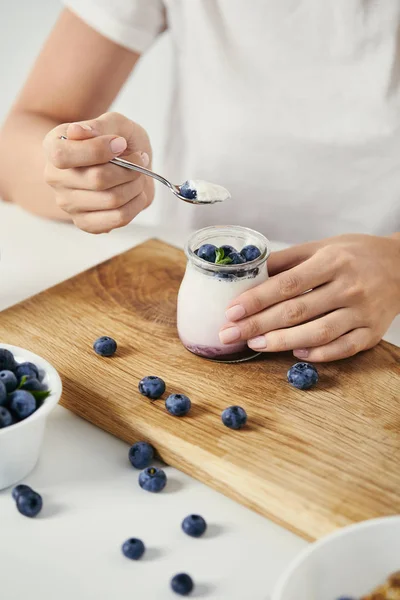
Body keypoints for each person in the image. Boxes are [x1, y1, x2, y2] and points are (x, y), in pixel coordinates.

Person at [0, 2, 399, 362]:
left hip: (382, 319)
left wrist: (395, 263)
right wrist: (77, 175)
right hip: (181, 271)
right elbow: (17, 145)